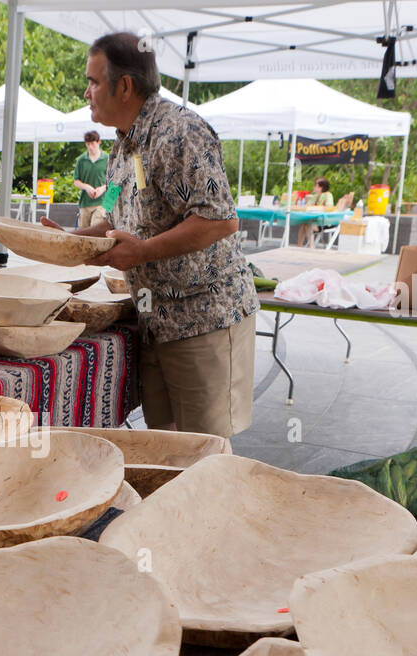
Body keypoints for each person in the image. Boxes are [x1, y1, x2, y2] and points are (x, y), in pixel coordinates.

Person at [41, 32, 258, 437]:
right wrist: (74, 241)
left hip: (203, 319)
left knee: (203, 452)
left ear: (123, 86)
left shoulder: (180, 132)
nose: (86, 92)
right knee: (166, 442)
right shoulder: (122, 146)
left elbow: (220, 219)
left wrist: (141, 253)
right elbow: (114, 219)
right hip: (155, 320)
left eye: (92, 81)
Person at [73, 130, 109, 229]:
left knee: (95, 230)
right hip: (85, 203)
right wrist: (86, 187)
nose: (90, 147)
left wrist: (102, 189)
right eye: (87, 144)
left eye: (92, 144)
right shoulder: (81, 160)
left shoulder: (107, 158)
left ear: (98, 142)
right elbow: (76, 181)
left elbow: (113, 180)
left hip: (102, 203)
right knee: (83, 233)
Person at [296, 177, 334, 246]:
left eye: (315, 185)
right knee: (303, 224)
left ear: (321, 187)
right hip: (316, 221)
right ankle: (299, 246)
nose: (314, 187)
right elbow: (307, 206)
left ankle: (311, 247)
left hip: (325, 222)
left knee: (308, 224)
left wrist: (315, 207)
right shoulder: (316, 196)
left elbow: (329, 208)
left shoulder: (328, 195)